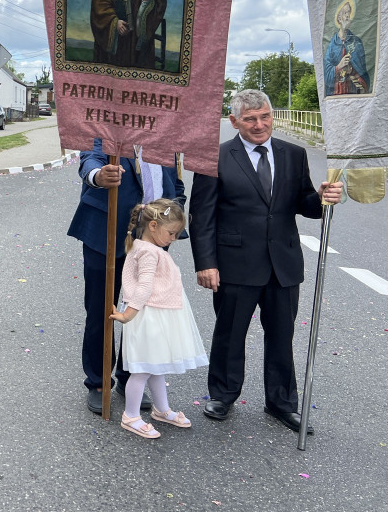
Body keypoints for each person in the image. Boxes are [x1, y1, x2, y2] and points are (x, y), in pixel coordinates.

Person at [190, 89, 343, 433]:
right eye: (250, 119)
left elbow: (303, 203)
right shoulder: (215, 158)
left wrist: (322, 198)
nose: (259, 125)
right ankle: (223, 394)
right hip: (235, 263)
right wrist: (206, 263)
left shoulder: (293, 153)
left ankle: (281, 403)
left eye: (265, 117)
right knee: (230, 333)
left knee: (282, 334)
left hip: (283, 262)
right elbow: (201, 216)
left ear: (272, 116)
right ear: (234, 122)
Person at [67, 137, 185, 415]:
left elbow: (176, 186)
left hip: (151, 240)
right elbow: (91, 160)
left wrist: (169, 218)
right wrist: (98, 176)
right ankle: (98, 382)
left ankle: (130, 377)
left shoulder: (167, 133)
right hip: (104, 231)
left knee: (143, 311)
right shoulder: (109, 122)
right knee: (101, 309)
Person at [110, 199, 207, 438]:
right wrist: (127, 315)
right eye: (171, 233)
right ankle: (130, 415)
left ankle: (161, 409)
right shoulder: (148, 252)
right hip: (147, 314)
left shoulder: (146, 248)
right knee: (143, 368)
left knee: (155, 365)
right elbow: (144, 286)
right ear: (153, 225)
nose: (173, 239)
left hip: (154, 311)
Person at [323, 0, 370, 96]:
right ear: (339, 18)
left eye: (349, 13)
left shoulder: (356, 42)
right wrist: (338, 67)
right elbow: (326, 74)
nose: (348, 16)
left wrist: (352, 70)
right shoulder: (332, 45)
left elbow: (363, 72)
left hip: (353, 91)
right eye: (345, 13)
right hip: (337, 93)